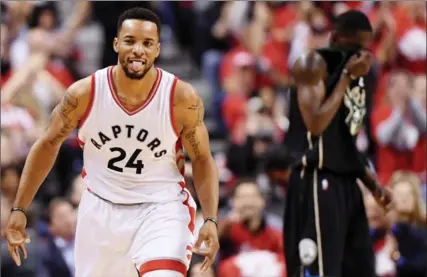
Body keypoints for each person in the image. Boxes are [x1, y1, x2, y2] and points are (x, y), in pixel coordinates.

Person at [5, 8, 220, 277]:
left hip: (161, 208)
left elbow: (201, 159)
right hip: (100, 210)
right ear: (116, 43)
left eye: (147, 43)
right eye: (130, 41)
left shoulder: (181, 98)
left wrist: (210, 217)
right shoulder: (85, 93)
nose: (138, 50)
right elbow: (47, 145)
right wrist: (20, 207)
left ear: (157, 49)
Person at [283, 10, 392, 277]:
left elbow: (345, 140)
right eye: (354, 47)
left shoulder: (361, 76)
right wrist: (345, 76)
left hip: (347, 183)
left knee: (361, 267)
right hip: (317, 179)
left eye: (365, 48)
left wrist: (372, 184)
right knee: (320, 269)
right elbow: (317, 125)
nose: (360, 55)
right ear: (335, 37)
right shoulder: (312, 63)